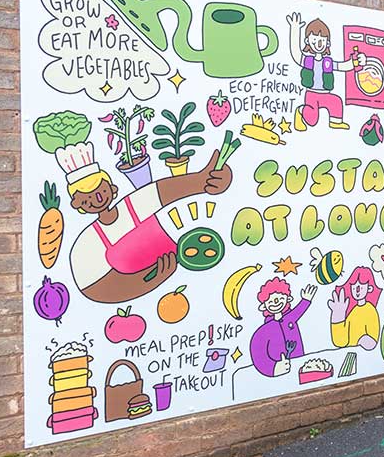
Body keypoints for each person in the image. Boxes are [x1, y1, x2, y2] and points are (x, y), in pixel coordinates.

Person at [65, 142, 233, 304]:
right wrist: (148, 281)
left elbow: (161, 192)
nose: (98, 198)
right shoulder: (87, 242)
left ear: (112, 188)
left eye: (100, 190)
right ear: (78, 205)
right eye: (87, 198)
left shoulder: (130, 206)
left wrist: (203, 181)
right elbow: (92, 287)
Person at [286, 13, 365, 131]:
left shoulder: (327, 62)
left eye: (322, 40)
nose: (318, 43)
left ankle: (335, 122)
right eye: (315, 40)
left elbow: (342, 66)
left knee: (336, 102)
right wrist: (295, 30)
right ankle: (301, 111)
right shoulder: (307, 60)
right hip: (311, 94)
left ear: (327, 43)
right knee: (312, 119)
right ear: (307, 41)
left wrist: (355, 62)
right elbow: (296, 53)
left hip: (325, 92)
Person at [249, 279, 316, 376]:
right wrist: (273, 368)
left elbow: (298, 311)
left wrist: (305, 300)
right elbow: (257, 351)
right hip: (279, 372)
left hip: (299, 364)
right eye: (270, 301)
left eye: (280, 298)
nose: (276, 302)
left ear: (288, 299)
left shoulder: (289, 318)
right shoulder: (265, 330)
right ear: (263, 306)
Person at [328, 266, 382, 350]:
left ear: (369, 288)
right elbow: (340, 342)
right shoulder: (353, 311)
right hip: (348, 352)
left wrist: (365, 340)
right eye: (354, 287)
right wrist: (338, 316)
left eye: (361, 286)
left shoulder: (370, 310)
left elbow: (372, 341)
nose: (357, 290)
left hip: (362, 354)